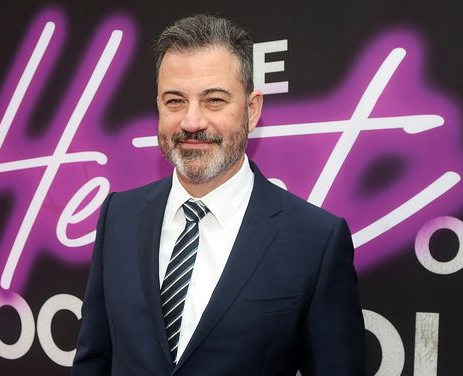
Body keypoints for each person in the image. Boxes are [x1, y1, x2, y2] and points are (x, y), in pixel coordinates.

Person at [72, 14, 365, 376]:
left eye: (213, 100)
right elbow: (93, 360)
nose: (192, 122)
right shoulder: (118, 215)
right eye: (175, 101)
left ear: (252, 110)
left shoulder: (315, 241)